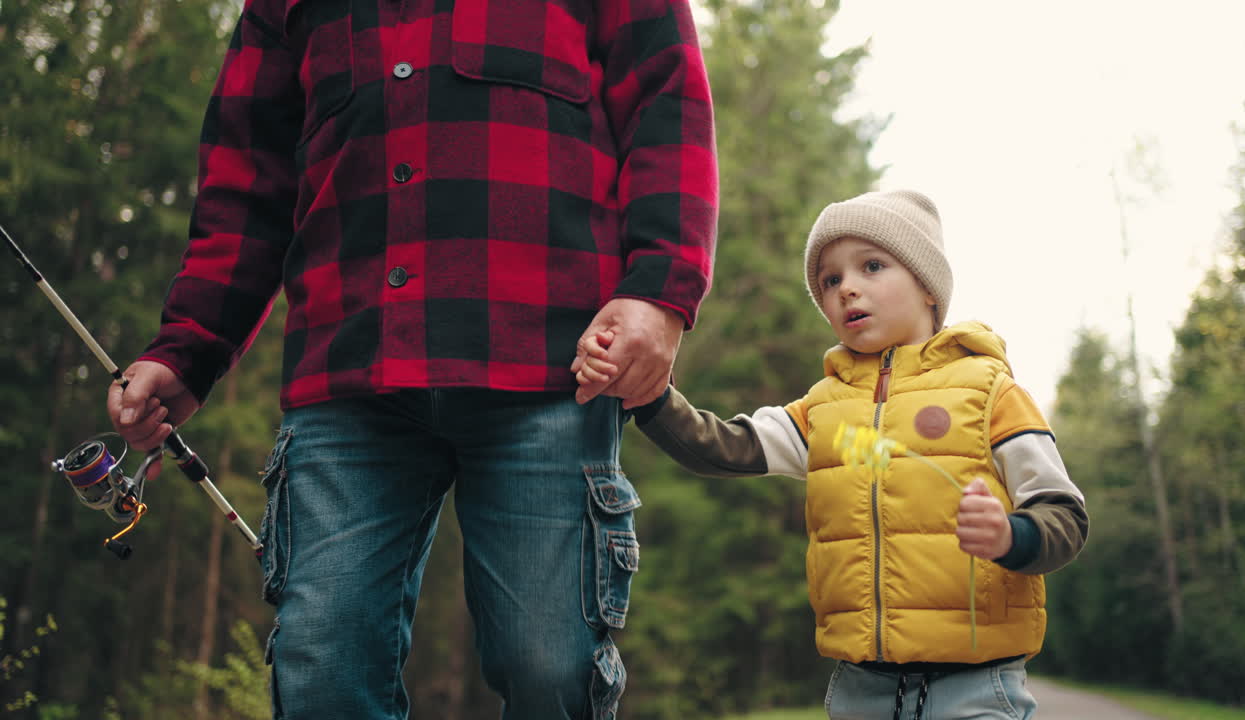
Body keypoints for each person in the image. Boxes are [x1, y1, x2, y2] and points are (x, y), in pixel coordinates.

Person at [105, 0, 718, 718]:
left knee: (551, 668)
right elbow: (247, 182)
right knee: (322, 669)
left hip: (553, 370)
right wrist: (188, 347)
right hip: (346, 374)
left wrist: (661, 293)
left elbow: (667, 105)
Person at [574, 189, 1088, 720]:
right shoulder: (825, 410)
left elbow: (1065, 517)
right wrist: (651, 394)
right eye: (831, 280)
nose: (847, 289)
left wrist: (1010, 536)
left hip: (977, 685)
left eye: (871, 265)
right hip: (860, 690)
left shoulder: (990, 394)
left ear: (929, 287)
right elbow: (725, 446)